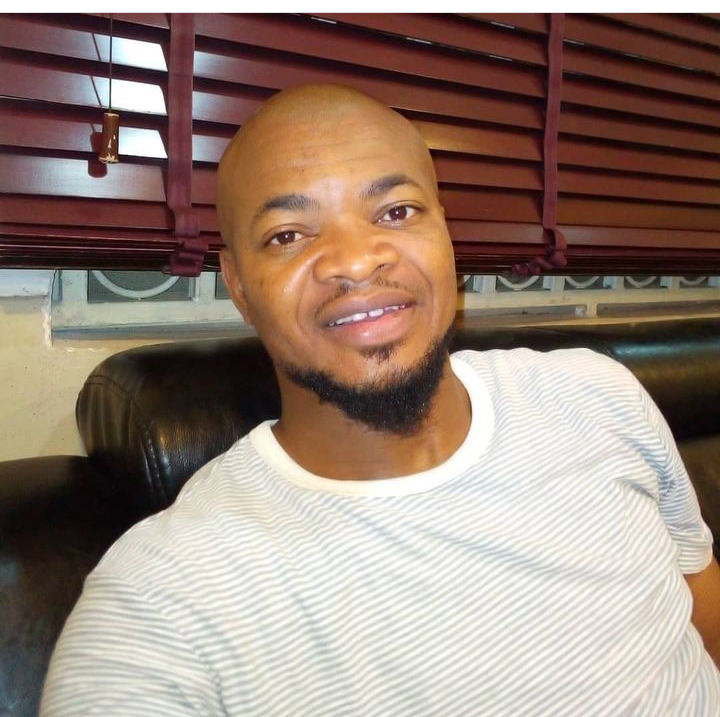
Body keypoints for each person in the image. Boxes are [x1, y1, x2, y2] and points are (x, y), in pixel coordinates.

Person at [42, 84, 720, 715]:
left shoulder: (598, 393)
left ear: (446, 236)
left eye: (397, 211)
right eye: (288, 234)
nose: (357, 259)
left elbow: (701, 610)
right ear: (240, 285)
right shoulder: (164, 595)